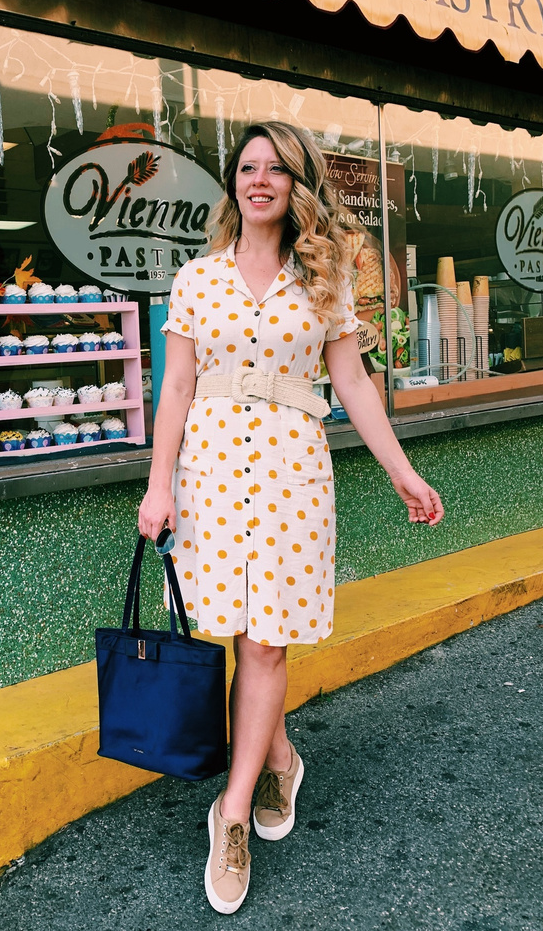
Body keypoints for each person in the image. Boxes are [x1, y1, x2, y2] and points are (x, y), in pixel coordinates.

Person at [138, 121, 443, 915]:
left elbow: (357, 385)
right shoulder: (197, 279)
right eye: (247, 167)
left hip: (290, 475)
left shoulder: (326, 279)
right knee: (233, 630)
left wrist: (402, 471)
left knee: (265, 638)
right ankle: (279, 757)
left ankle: (230, 811)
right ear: (232, 181)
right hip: (208, 472)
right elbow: (174, 389)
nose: (259, 179)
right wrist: (157, 484)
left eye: (276, 168)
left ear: (297, 183)